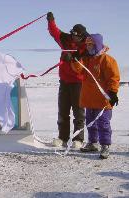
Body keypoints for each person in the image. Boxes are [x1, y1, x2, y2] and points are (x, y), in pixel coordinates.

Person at [71, 34, 120, 159]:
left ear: (97, 44)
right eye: (87, 44)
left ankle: (105, 145)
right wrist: (74, 60)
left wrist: (113, 93)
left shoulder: (107, 60)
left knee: (103, 123)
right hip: (89, 98)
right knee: (90, 123)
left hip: (103, 100)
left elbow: (113, 78)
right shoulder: (86, 59)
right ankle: (92, 143)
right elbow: (79, 70)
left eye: (90, 44)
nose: (88, 47)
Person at [46, 12, 89, 148]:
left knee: (78, 112)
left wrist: (73, 59)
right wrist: (51, 20)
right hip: (64, 81)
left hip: (78, 82)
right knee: (63, 111)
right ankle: (62, 138)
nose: (75, 37)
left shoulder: (87, 45)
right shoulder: (65, 39)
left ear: (83, 36)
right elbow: (55, 32)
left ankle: (78, 139)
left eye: (78, 36)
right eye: (73, 34)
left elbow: (89, 58)